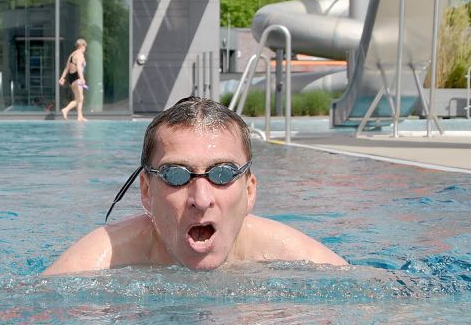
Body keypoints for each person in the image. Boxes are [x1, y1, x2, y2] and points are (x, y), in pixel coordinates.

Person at [43, 96, 347, 275]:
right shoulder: (104, 258)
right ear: (147, 191)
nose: (201, 199)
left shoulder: (295, 257)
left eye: (223, 174)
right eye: (176, 174)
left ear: (250, 190)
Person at [58, 38, 87, 121]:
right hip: (77, 78)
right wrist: (82, 78)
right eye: (85, 47)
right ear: (82, 46)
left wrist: (62, 78)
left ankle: (80, 116)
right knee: (80, 98)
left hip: (71, 78)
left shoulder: (72, 54)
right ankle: (66, 109)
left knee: (79, 97)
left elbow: (66, 68)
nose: (85, 49)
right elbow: (78, 67)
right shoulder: (80, 54)